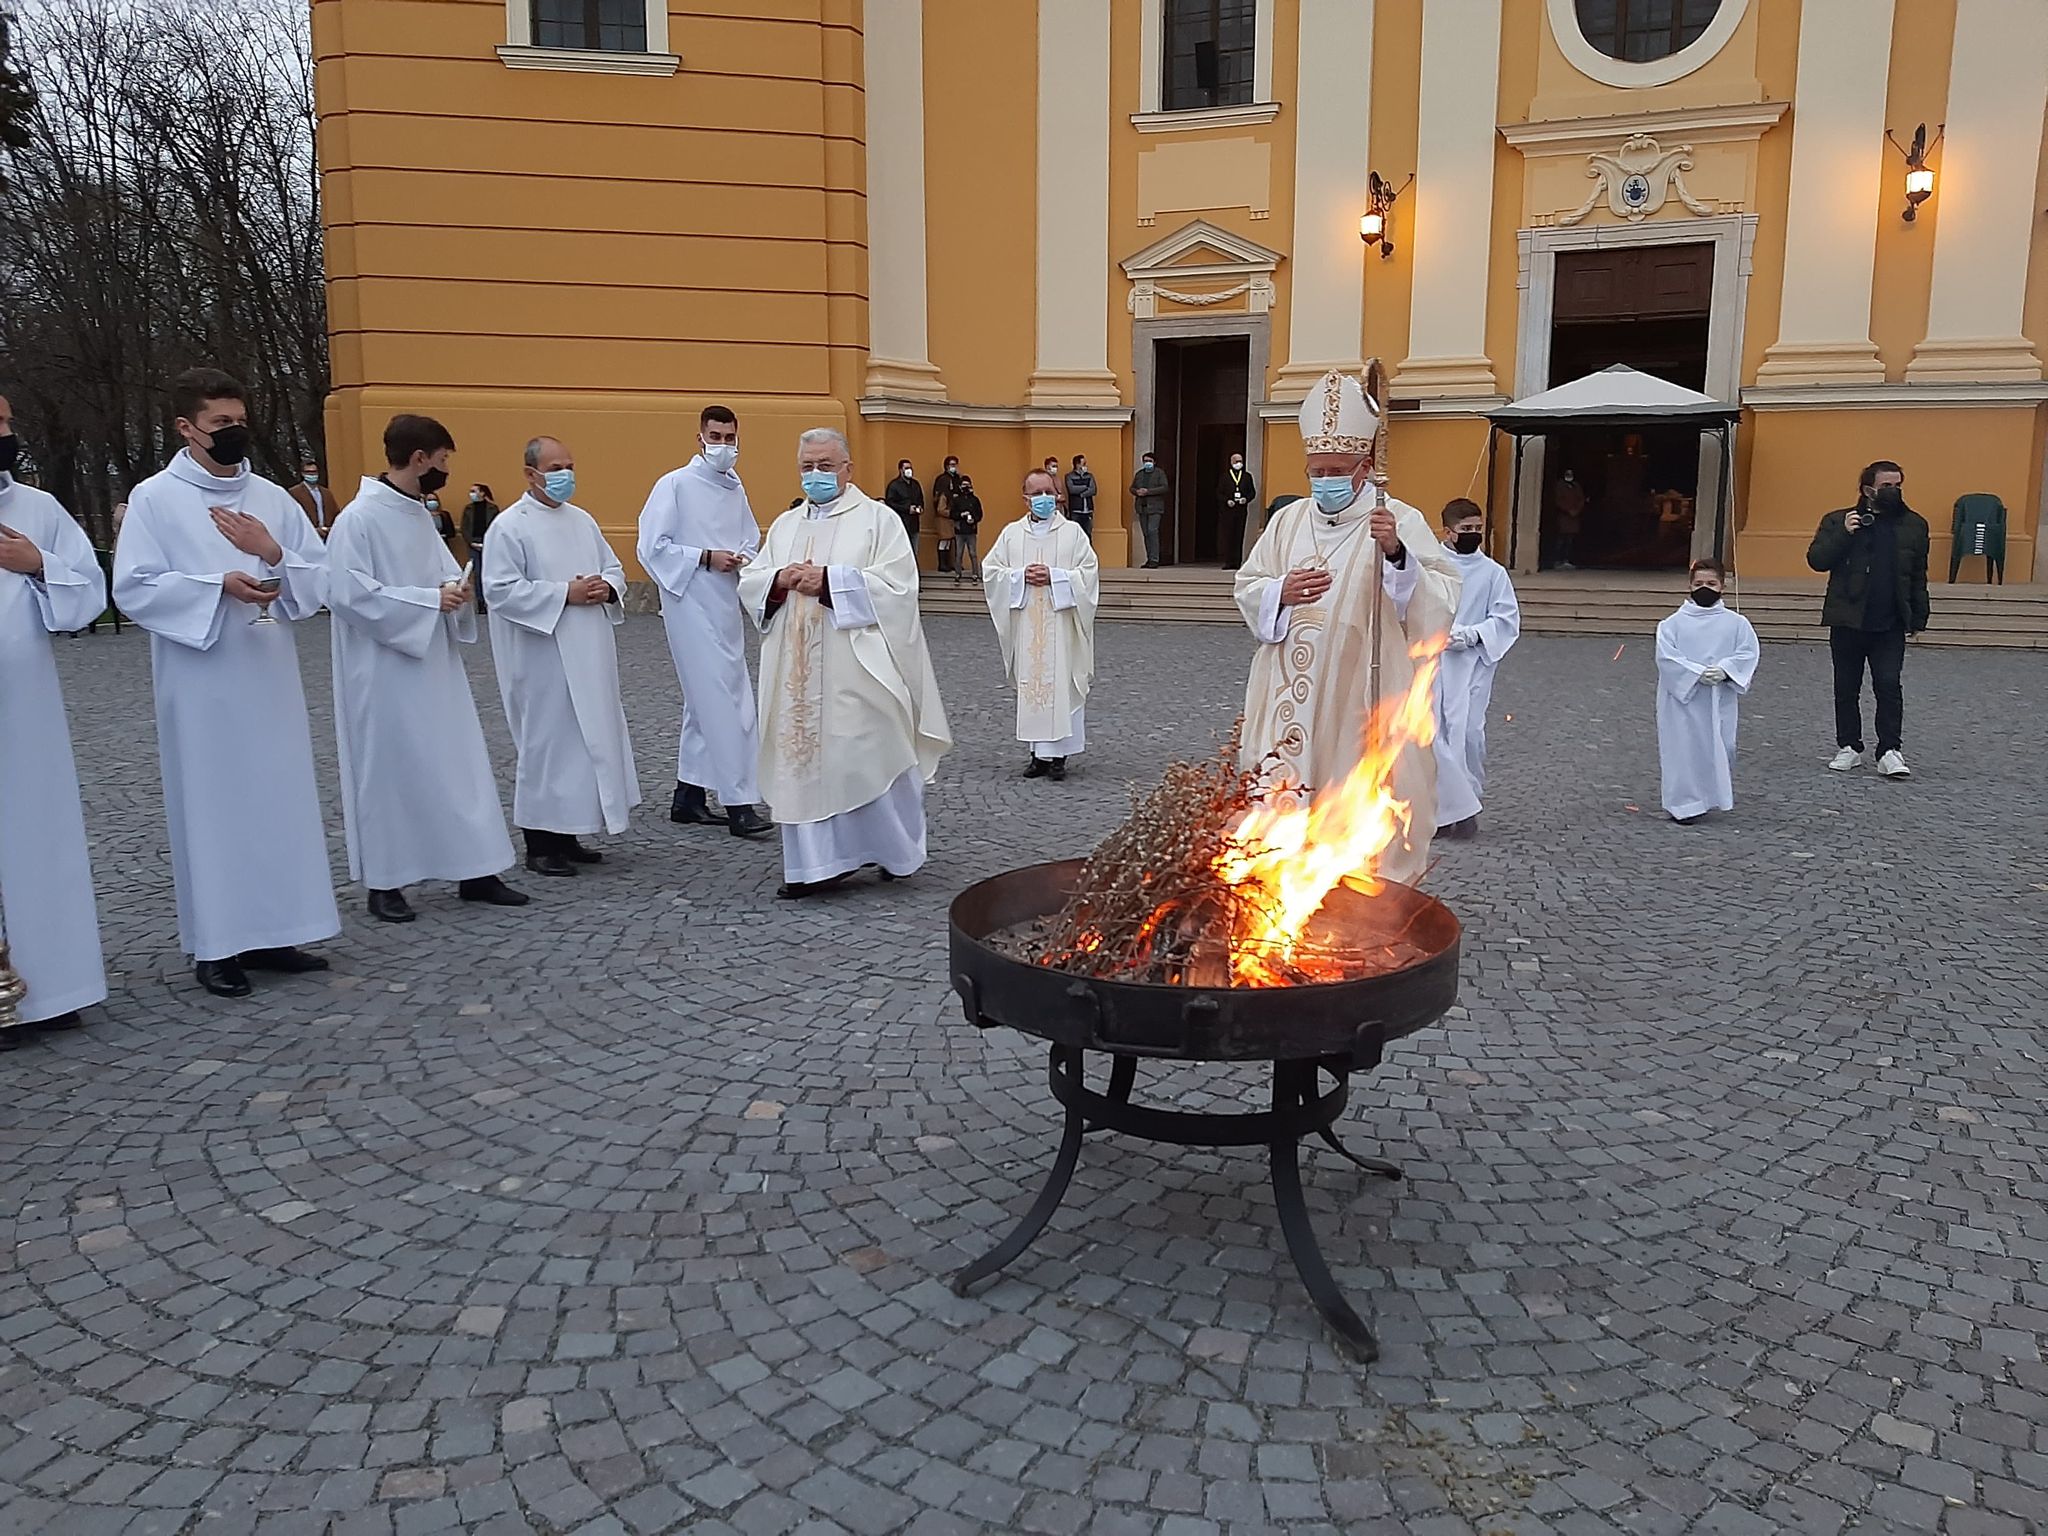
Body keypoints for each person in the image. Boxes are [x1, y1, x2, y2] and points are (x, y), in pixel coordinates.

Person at [113, 367, 338, 998]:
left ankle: (277, 930)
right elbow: (133, 586)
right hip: (202, 679)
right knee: (213, 806)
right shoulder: (156, 498)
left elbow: (319, 579)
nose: (235, 431)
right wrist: (216, 586)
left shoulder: (271, 497)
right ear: (187, 428)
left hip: (268, 673)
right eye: (221, 423)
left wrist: (272, 553)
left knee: (275, 799)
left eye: (240, 420)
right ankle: (218, 945)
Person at [1233, 370, 1460, 886]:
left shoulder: (1396, 518)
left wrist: (1396, 554)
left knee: (1350, 786)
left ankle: (1354, 891)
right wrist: (1280, 592)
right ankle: (1274, 883)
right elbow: (1249, 584)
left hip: (1359, 690)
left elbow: (1441, 600)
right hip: (1286, 686)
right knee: (1279, 796)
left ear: (1365, 469)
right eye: (1317, 471)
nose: (1325, 481)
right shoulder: (1288, 521)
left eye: (1337, 470)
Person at [328, 415, 528, 924]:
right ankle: (387, 881)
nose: (445, 470)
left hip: (435, 664)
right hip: (382, 670)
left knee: (456, 763)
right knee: (390, 769)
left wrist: (455, 591)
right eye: (442, 460)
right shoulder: (359, 518)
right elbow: (348, 594)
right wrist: (427, 600)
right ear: (419, 458)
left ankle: (474, 868)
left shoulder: (416, 513)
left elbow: (441, 575)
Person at [740, 428, 952, 898]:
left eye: (825, 465)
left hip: (857, 667)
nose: (815, 474)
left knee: (869, 753)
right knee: (803, 762)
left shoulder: (878, 520)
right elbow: (752, 579)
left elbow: (899, 586)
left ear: (848, 469)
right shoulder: (785, 526)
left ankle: (894, 852)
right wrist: (778, 580)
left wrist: (831, 582)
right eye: (807, 466)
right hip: (797, 673)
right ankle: (814, 866)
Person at [0, 396, 108, 1042]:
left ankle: (52, 985)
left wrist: (38, 564)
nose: (5, 434)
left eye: (7, 423)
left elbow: (89, 590)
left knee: (36, 834)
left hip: (27, 708)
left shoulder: (38, 509)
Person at [485, 436, 642, 876]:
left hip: (589, 651)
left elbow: (614, 568)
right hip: (541, 655)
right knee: (547, 744)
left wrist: (607, 586)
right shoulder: (509, 526)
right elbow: (499, 590)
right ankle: (540, 843)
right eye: (555, 469)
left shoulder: (582, 520)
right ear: (530, 473)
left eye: (569, 466)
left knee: (584, 742)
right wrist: (563, 593)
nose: (565, 475)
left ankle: (570, 832)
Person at [637, 404, 772, 839]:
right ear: (700, 438)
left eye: (730, 438)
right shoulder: (674, 484)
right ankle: (739, 803)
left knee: (704, 700)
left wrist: (743, 557)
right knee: (725, 700)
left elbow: (750, 537)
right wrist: (704, 556)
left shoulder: (735, 487)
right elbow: (651, 546)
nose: (723, 446)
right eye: (716, 437)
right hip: (689, 601)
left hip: (725, 602)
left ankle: (688, 797)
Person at [1806, 460, 1929, 780]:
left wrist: (1918, 615)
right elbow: (1817, 560)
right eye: (1887, 486)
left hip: (1889, 622)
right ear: (1868, 489)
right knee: (1846, 687)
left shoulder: (1914, 525)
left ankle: (1890, 750)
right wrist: (1844, 534)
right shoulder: (1838, 520)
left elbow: (1918, 575)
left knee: (1888, 685)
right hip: (1847, 619)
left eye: (1898, 485)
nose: (1894, 491)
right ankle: (1849, 746)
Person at [983, 469, 1099, 781]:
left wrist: (1055, 577)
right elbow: (991, 571)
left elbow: (1089, 573)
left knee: (1060, 685)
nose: (1044, 498)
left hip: (1061, 627)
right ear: (1025, 499)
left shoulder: (1073, 533)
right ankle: (1038, 756)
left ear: (1058, 495)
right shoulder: (1011, 534)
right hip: (1027, 628)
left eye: (1048, 492)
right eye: (1036, 494)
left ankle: (1059, 756)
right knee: (1033, 686)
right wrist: (1020, 576)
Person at [1432, 498, 1519, 841]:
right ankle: (1441, 812)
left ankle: (1468, 806)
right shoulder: (1432, 567)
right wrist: (1436, 632)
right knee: (1434, 735)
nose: (1473, 534)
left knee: (1469, 733)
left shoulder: (1493, 573)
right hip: (1433, 662)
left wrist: (1472, 635)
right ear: (1448, 532)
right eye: (1465, 529)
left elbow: (1506, 619)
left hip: (1472, 664)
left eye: (1477, 528)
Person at [1655, 558, 1759, 824]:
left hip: (1718, 697)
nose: (1705, 588)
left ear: (1723, 586)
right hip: (1682, 700)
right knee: (1683, 749)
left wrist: (1726, 670)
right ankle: (1683, 805)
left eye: (1711, 583)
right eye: (1699, 583)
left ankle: (1711, 796)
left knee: (1723, 746)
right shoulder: (1671, 624)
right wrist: (1695, 673)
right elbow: (1667, 658)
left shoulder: (1737, 623)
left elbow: (1747, 652)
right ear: (1689, 585)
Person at [462, 482, 500, 611]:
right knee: (477, 573)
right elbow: (464, 528)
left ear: (482, 493)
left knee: (489, 572)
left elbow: (496, 527)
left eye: (474, 491)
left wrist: (488, 542)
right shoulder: (468, 509)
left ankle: (490, 599)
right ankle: (480, 602)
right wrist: (471, 542)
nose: (471, 494)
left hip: (489, 543)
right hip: (473, 544)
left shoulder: (492, 508)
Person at [1131, 452, 1169, 568]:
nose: (1147, 463)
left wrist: (1148, 491)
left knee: (1153, 531)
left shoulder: (1159, 473)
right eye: (1145, 461)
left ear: (1154, 462)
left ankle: (1154, 559)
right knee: (1146, 533)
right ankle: (1149, 558)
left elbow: (1164, 487)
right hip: (1142, 507)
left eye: (1149, 461)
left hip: (1155, 507)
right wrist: (1136, 491)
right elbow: (1132, 487)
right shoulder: (1139, 474)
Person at [1219, 452, 1257, 570]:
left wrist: (1245, 499)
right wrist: (1227, 500)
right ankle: (1228, 561)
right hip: (1228, 511)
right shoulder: (1225, 477)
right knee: (1228, 536)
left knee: (1239, 535)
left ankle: (1237, 562)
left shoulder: (1247, 476)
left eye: (1240, 461)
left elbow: (1252, 492)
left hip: (1241, 510)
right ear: (1231, 462)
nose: (1238, 463)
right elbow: (1219, 493)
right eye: (1236, 461)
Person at [883, 458, 924, 557]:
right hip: (901, 523)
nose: (909, 470)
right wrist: (907, 508)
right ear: (901, 470)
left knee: (914, 551)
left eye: (910, 468)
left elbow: (921, 499)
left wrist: (920, 507)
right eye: (906, 468)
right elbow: (890, 503)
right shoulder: (894, 485)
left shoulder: (915, 484)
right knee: (902, 552)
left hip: (914, 524)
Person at [932, 454, 965, 575]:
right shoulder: (942, 480)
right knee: (944, 540)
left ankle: (951, 563)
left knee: (951, 540)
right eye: (952, 465)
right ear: (946, 466)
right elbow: (938, 499)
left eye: (955, 464)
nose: (954, 467)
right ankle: (942, 564)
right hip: (944, 515)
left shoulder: (958, 479)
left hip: (954, 515)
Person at [948, 474, 983, 585]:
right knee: (959, 553)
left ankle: (975, 574)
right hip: (959, 530)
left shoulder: (975, 500)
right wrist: (961, 515)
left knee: (973, 553)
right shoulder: (957, 500)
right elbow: (952, 514)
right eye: (964, 485)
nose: (966, 487)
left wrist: (974, 519)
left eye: (967, 485)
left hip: (971, 530)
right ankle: (957, 574)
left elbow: (980, 514)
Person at [288, 458, 336, 539]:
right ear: (303, 474)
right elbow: (293, 517)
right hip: (307, 536)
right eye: (308, 472)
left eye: (314, 472)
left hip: (327, 535)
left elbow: (335, 513)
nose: (312, 475)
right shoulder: (295, 492)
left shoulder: (326, 493)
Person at [1551, 469, 1585, 570]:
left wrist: (1576, 510)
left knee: (1570, 540)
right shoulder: (1560, 486)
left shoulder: (1576, 486)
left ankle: (1567, 560)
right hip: (1564, 516)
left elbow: (1581, 499)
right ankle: (1557, 560)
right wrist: (1567, 510)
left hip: (1574, 517)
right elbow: (1557, 500)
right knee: (1561, 539)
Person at [1064, 455, 1097, 541]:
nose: (1086, 465)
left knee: (1088, 534)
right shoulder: (1069, 476)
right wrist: (1085, 486)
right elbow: (1072, 489)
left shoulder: (1089, 476)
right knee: (1075, 535)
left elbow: (1093, 490)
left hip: (1088, 511)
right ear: (1077, 465)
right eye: (1084, 463)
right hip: (1076, 510)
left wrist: (1082, 494)